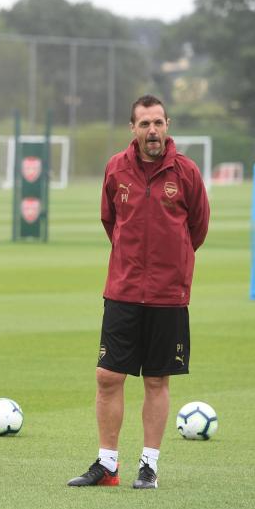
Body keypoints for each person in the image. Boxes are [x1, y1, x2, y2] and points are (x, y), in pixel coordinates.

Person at [68, 94, 210, 489]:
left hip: (168, 295)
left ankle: (148, 465)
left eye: (158, 123)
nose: (152, 131)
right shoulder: (116, 168)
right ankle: (107, 465)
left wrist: (173, 263)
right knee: (107, 376)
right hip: (123, 291)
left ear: (168, 126)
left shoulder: (186, 172)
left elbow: (197, 227)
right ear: (132, 128)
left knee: (155, 381)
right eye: (145, 124)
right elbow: (109, 221)